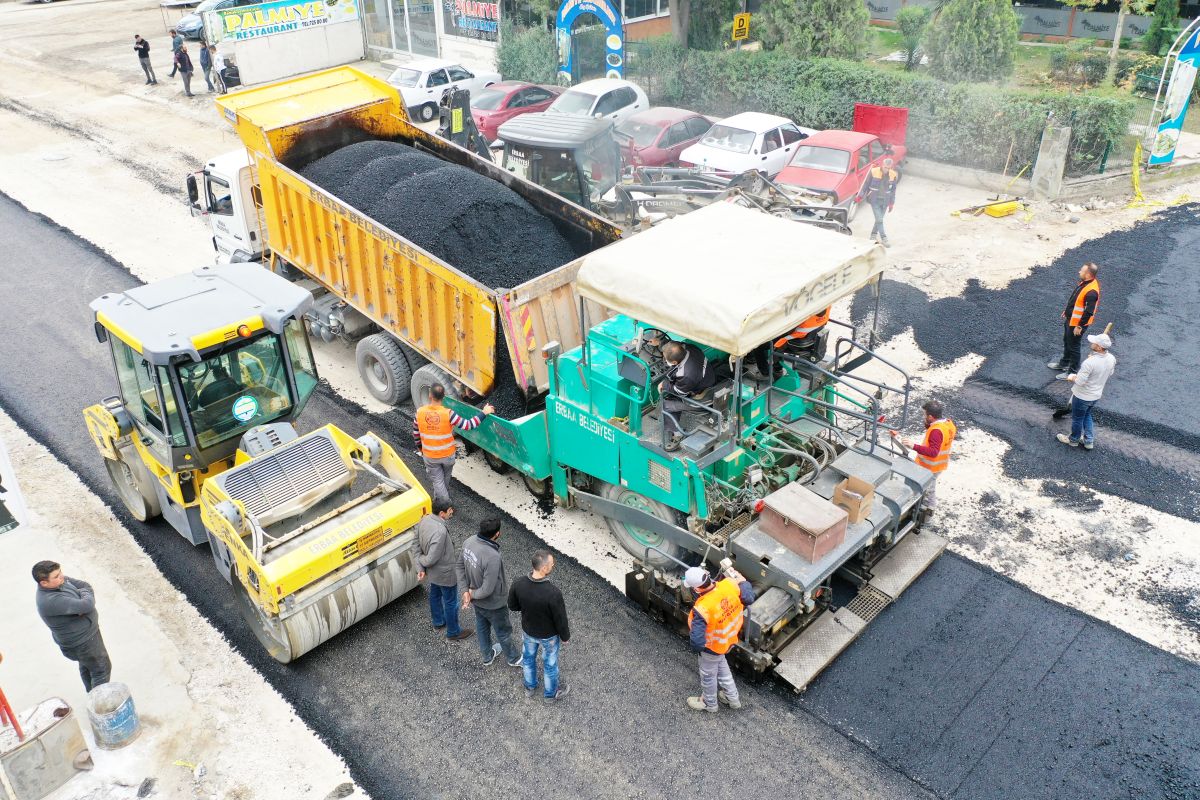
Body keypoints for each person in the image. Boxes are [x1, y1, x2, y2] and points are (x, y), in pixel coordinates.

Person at [683, 565, 755, 713]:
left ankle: (709, 704)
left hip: (712, 647)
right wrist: (741, 580)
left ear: (696, 589)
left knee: (708, 675)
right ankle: (732, 699)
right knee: (722, 668)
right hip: (728, 641)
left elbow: (696, 642)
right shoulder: (729, 584)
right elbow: (748, 597)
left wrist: (702, 649)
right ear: (707, 576)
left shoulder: (703, 608)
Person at [33, 561, 112, 692]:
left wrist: (83, 596)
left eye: (60, 572)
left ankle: (91, 695)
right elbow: (87, 605)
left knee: (87, 665)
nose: (62, 577)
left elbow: (86, 586)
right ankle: (100, 703)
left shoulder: (58, 582)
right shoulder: (50, 600)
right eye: (57, 576)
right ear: (44, 583)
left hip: (84, 638)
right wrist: (83, 597)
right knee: (101, 669)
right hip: (83, 642)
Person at [411, 384, 493, 505]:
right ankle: (443, 501)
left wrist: (420, 449)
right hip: (448, 455)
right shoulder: (449, 414)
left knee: (437, 481)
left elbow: (416, 434)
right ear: (443, 397)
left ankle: (443, 503)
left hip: (430, 456)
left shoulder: (420, 413)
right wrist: (484, 412)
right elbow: (468, 425)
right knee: (445, 479)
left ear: (430, 396)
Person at [456, 518, 521, 668]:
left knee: (482, 626)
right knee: (503, 632)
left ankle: (487, 656)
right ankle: (514, 658)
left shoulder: (469, 541)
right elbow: (488, 589)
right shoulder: (492, 556)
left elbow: (459, 566)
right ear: (497, 534)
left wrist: (466, 591)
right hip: (493, 604)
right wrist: (471, 594)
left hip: (476, 601)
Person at [508, 550, 571, 703]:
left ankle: (530, 687)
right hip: (548, 636)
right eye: (551, 564)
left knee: (528, 659)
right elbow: (560, 619)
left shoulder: (518, 583)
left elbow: (512, 606)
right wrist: (565, 636)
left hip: (528, 631)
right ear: (543, 568)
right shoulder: (553, 593)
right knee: (550, 664)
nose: (553, 565)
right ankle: (550, 695)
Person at [416, 500, 473, 641]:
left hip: (434, 574)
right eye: (449, 510)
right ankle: (453, 632)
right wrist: (422, 561)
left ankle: (438, 622)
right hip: (445, 574)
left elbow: (415, 543)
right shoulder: (440, 531)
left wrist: (420, 567)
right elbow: (430, 559)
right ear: (442, 513)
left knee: (435, 595)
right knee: (451, 603)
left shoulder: (424, 519)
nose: (452, 511)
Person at [892, 399, 956, 522]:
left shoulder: (936, 431)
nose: (923, 416)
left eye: (925, 415)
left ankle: (927, 511)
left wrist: (913, 446)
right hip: (939, 464)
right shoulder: (947, 424)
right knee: (929, 486)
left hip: (931, 467)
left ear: (931, 417)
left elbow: (933, 452)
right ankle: (926, 507)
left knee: (929, 488)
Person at [1057, 333, 1115, 451]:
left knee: (1077, 418)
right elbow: (1110, 373)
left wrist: (1071, 377)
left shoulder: (1089, 363)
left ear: (1099, 347)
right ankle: (1088, 441)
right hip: (1096, 395)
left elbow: (1079, 381)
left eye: (1094, 342)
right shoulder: (1111, 358)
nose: (1091, 343)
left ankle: (1073, 440)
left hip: (1082, 396)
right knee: (1086, 415)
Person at [658, 340, 716, 450]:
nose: (664, 360)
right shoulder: (691, 348)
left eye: (665, 359)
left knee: (666, 403)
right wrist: (660, 343)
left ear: (674, 362)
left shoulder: (686, 375)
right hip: (708, 379)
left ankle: (677, 435)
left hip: (701, 398)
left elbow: (679, 392)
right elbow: (674, 345)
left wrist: (664, 385)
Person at [1048, 262, 1100, 381]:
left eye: (1081, 271)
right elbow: (1076, 300)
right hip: (1071, 319)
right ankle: (1064, 363)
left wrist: (1080, 326)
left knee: (1074, 346)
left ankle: (1072, 372)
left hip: (1077, 324)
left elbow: (1089, 312)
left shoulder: (1091, 291)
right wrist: (1067, 312)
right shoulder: (1086, 283)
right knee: (1067, 341)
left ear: (1088, 274)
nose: (1079, 272)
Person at [753, 306, 831, 377]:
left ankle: (769, 371)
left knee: (758, 346)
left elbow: (785, 333)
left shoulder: (804, 320)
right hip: (811, 339)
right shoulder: (827, 307)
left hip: (795, 343)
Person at [862, 157, 899, 247]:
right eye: (885, 167)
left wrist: (891, 203)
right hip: (874, 199)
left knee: (879, 220)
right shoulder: (873, 171)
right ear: (882, 165)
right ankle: (884, 238)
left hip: (885, 201)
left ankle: (873, 236)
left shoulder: (893, 175)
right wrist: (860, 196)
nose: (887, 169)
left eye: (889, 168)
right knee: (879, 219)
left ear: (891, 167)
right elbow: (865, 184)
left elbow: (893, 190)